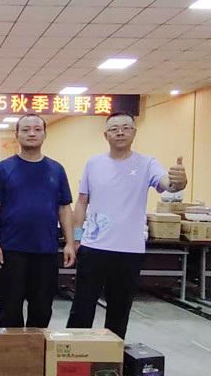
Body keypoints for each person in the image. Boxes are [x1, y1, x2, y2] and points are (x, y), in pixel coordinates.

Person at [67, 111, 187, 339]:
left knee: (119, 311)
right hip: (94, 247)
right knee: (82, 307)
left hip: (129, 250)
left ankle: (112, 355)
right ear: (106, 135)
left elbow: (168, 184)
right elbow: (82, 202)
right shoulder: (93, 163)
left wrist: (178, 181)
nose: (120, 132)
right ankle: (75, 352)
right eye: (114, 129)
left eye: (126, 128)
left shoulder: (147, 163)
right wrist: (76, 239)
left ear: (134, 132)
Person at [0, 113, 75, 329]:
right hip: (10, 251)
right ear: (17, 135)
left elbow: (64, 208)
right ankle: (12, 351)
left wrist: (70, 243)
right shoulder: (2, 169)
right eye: (26, 129)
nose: (32, 133)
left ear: (45, 134)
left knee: (42, 310)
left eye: (37, 129)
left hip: (45, 251)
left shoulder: (57, 169)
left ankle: (35, 350)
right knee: (9, 311)